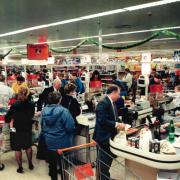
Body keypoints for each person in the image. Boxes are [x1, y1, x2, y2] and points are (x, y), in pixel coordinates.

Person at [93, 85, 125, 180]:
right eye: (118, 94)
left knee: (107, 161)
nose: (119, 96)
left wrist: (120, 122)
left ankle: (105, 177)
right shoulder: (103, 103)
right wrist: (116, 124)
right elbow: (102, 120)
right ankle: (103, 178)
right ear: (113, 93)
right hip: (103, 138)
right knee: (103, 161)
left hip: (109, 136)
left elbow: (113, 117)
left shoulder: (112, 103)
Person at [41, 91, 75, 180]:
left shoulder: (44, 110)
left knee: (52, 166)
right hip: (63, 143)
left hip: (49, 142)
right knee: (64, 167)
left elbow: (42, 125)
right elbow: (70, 127)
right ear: (60, 100)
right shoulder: (64, 111)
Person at [5, 87, 35, 173]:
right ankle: (30, 163)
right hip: (27, 128)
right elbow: (31, 115)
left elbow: (7, 118)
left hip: (15, 129)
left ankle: (20, 167)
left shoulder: (14, 105)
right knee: (28, 146)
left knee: (17, 149)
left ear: (18, 93)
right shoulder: (32, 104)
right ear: (27, 94)